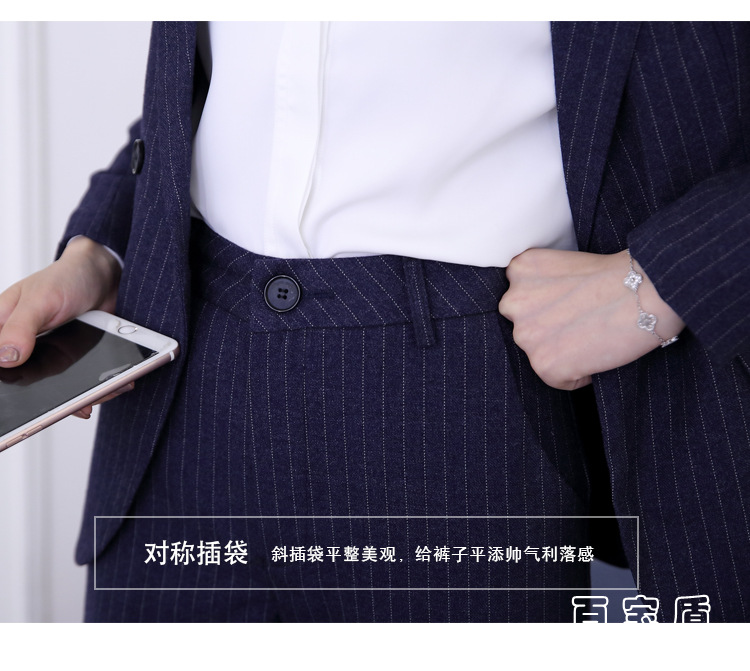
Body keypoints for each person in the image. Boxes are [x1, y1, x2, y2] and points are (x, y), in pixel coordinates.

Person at [0, 21, 748, 622]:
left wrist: (666, 278)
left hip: (465, 406)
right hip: (186, 392)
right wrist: (105, 248)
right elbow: (229, 81)